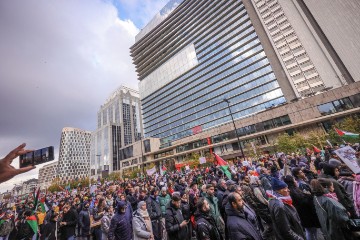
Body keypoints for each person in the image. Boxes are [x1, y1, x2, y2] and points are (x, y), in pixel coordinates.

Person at [283, 175, 320, 240]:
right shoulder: (293, 191)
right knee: (310, 231)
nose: (296, 181)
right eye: (294, 180)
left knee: (311, 231)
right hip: (305, 215)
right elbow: (303, 202)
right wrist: (309, 196)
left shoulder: (293, 190)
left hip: (303, 214)